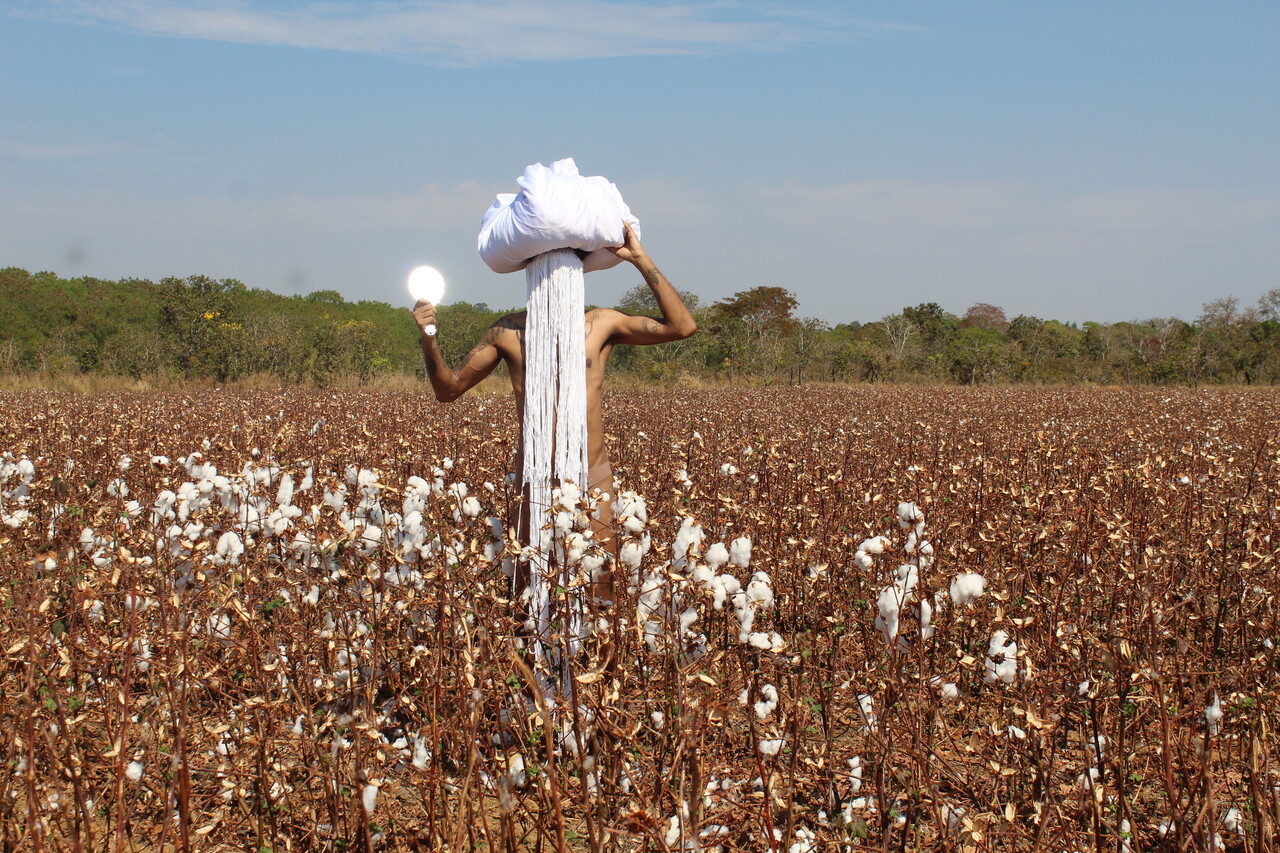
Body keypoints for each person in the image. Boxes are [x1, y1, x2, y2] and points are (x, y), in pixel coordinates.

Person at [410, 221, 697, 545]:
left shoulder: (601, 323)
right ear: (532, 273)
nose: (555, 277)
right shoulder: (507, 331)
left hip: (592, 476)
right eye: (545, 267)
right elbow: (449, 389)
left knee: (599, 584)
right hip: (535, 479)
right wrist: (428, 336)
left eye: (565, 268)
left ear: (578, 273)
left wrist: (639, 258)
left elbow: (682, 326)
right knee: (527, 580)